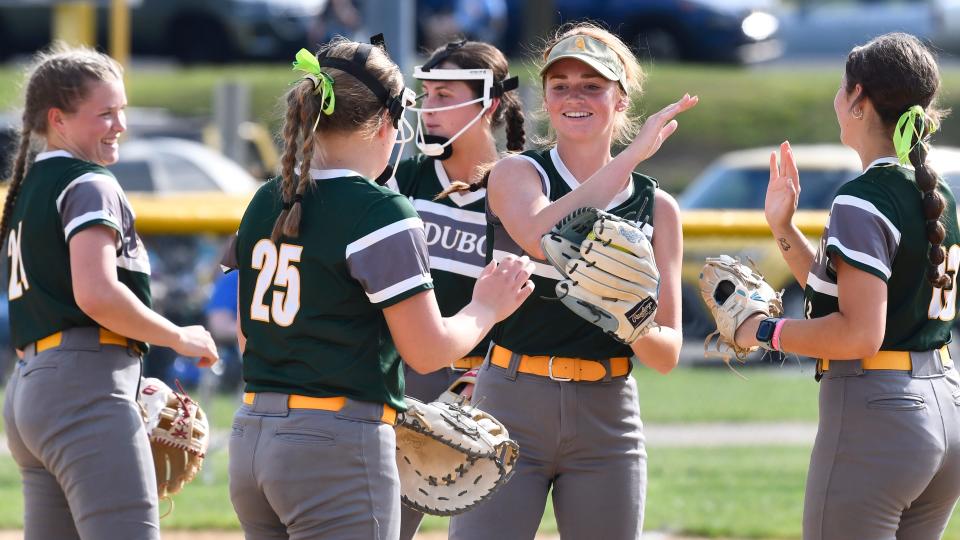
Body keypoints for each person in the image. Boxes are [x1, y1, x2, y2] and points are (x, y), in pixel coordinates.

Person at [224, 37, 534, 540]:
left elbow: (245, 336)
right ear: (389, 121)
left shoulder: (266, 198)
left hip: (251, 434)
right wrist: (486, 307)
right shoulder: (379, 209)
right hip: (333, 443)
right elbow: (428, 352)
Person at [448, 23, 697, 540]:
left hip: (607, 411)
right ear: (545, 98)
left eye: (592, 84)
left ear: (620, 99)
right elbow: (543, 237)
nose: (574, 96)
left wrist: (628, 321)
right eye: (560, 85)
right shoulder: (519, 173)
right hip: (510, 398)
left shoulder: (659, 208)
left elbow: (666, 353)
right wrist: (631, 156)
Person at [734, 32, 960, 539]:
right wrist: (783, 228)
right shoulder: (935, 191)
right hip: (944, 406)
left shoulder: (864, 197)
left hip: (882, 417)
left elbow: (860, 335)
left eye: (842, 87)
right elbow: (843, 300)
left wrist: (762, 331)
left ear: (858, 99)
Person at [0, 44, 218, 540]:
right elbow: (96, 294)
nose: (120, 124)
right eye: (105, 113)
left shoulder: (31, 186)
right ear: (58, 119)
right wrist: (178, 337)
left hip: (30, 389)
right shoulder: (89, 183)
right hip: (82, 385)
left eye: (121, 111)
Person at [387, 38, 523, 540]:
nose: (430, 108)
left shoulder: (523, 186)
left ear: (488, 103)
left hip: (490, 388)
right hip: (405, 379)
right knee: (383, 526)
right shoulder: (401, 180)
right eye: (428, 95)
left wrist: (477, 381)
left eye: (446, 96)